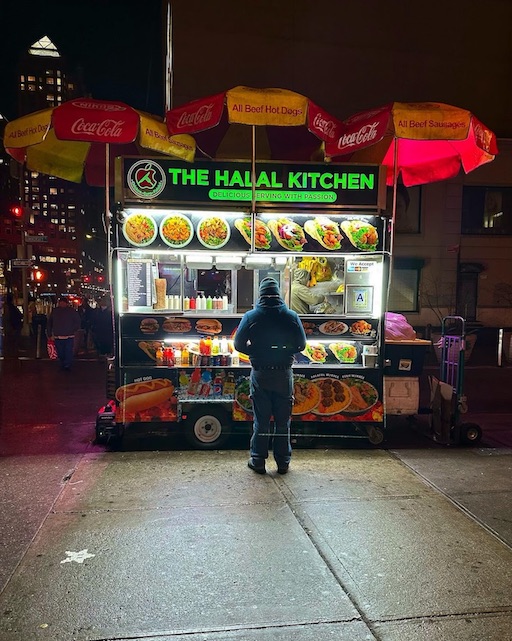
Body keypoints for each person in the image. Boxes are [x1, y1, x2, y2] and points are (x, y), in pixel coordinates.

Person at [234, 277, 307, 475]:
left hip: (261, 374)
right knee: (283, 421)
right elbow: (301, 345)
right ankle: (283, 462)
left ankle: (258, 460)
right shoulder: (291, 316)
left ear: (261, 295)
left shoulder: (251, 316)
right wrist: (284, 350)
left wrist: (257, 351)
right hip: (284, 374)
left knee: (262, 420)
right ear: (279, 295)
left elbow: (238, 345)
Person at [46, 297, 81, 370]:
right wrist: (49, 333)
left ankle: (66, 364)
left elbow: (77, 322)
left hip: (68, 335)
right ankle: (64, 363)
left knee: (67, 351)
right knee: (61, 351)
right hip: (59, 335)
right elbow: (50, 323)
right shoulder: (55, 311)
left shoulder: (71, 311)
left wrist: (72, 330)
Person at [3, 293, 23, 357]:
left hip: (10, 327)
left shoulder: (7, 307)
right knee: (13, 342)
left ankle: (10, 355)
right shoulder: (12, 308)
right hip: (13, 327)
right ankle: (12, 355)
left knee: (9, 342)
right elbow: (20, 315)